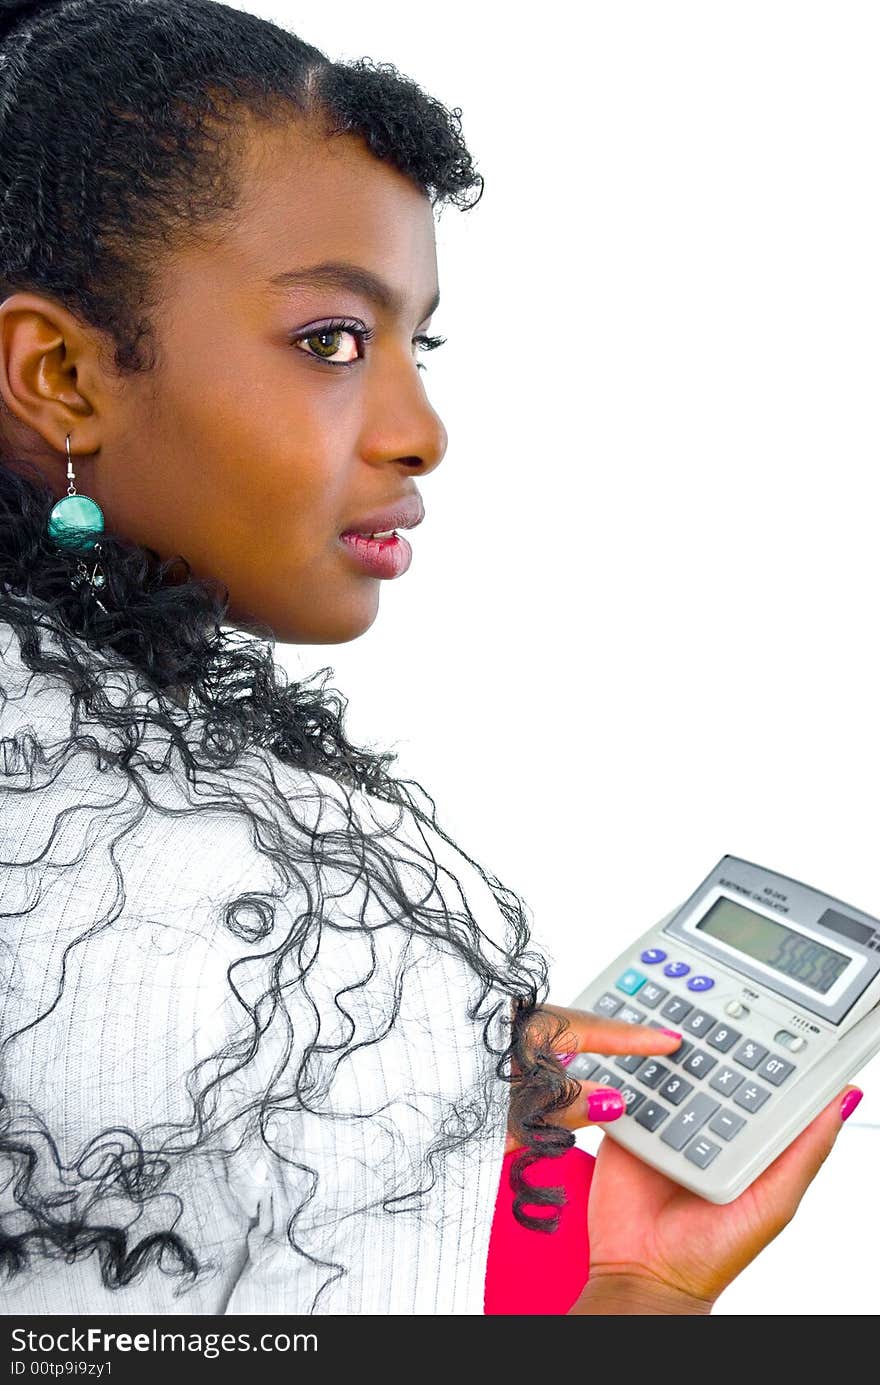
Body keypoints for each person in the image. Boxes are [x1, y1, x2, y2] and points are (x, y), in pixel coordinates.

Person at [0, 0, 861, 1317]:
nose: (419, 430)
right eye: (331, 340)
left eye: (418, 342)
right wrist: (628, 1293)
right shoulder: (267, 920)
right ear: (59, 374)